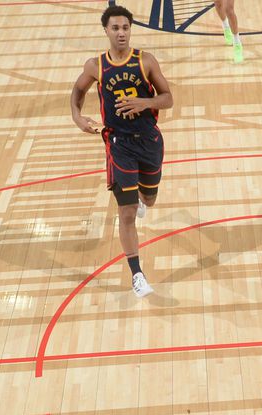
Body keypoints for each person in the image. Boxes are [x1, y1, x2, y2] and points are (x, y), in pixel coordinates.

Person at [70, 5, 174, 298]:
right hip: (119, 144)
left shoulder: (146, 61)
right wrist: (78, 117)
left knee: (149, 200)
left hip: (149, 141)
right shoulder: (96, 66)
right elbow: (78, 91)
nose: (121, 33)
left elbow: (168, 98)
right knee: (126, 212)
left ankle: (142, 197)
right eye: (115, 28)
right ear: (105, 30)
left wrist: (145, 103)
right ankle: (137, 274)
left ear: (131, 30)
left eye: (125, 28)